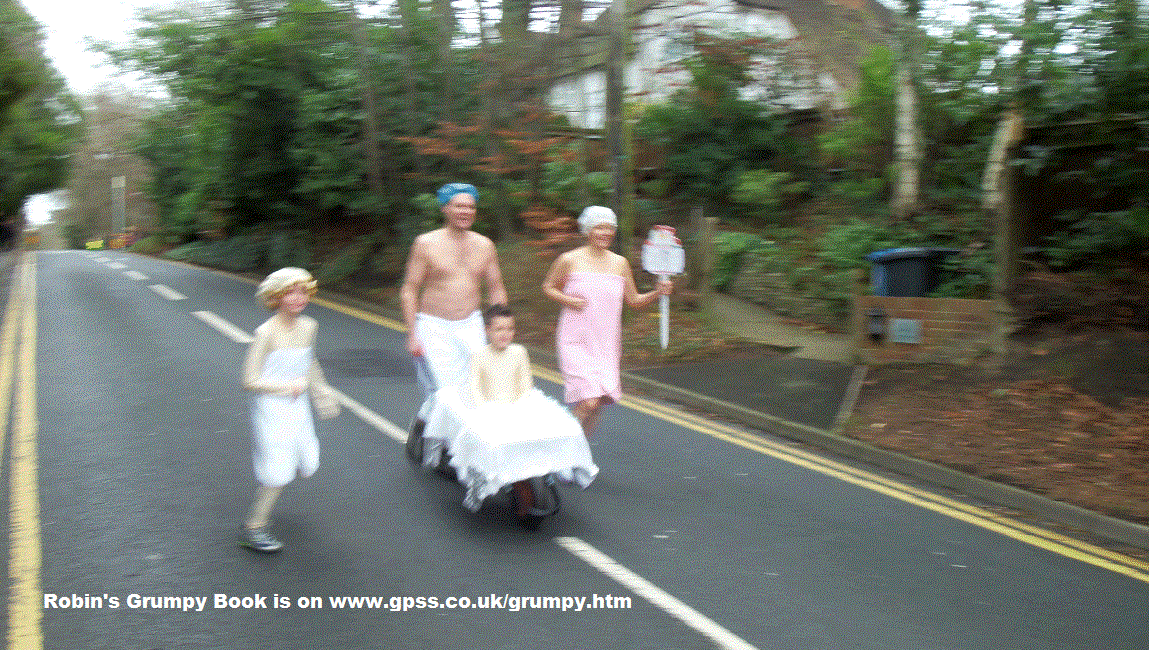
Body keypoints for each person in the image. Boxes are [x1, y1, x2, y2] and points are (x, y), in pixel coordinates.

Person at [542, 206, 672, 437]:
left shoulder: (620, 263)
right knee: (588, 402)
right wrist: (567, 300)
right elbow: (548, 287)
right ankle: (558, 448)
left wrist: (657, 293)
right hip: (576, 340)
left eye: (609, 228)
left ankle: (579, 457)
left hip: (606, 343)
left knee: (598, 402)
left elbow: (634, 300)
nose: (605, 232)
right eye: (599, 227)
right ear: (587, 230)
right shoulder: (569, 259)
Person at [401, 182, 507, 460]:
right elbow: (410, 289)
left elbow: (495, 287)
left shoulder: (485, 245)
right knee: (447, 393)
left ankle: (432, 430)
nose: (466, 211)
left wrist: (501, 327)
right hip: (434, 326)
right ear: (445, 208)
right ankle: (443, 451)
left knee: (477, 389)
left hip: (470, 324)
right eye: (459, 205)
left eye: (471, 206)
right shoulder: (426, 243)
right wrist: (412, 333)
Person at [240, 267, 340, 553]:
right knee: (278, 470)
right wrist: (286, 388)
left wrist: (323, 394)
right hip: (271, 408)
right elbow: (249, 380)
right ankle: (254, 528)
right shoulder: (266, 334)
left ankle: (271, 489)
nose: (298, 298)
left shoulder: (309, 326)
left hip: (298, 406)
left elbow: (309, 363)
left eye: (303, 292)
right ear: (275, 297)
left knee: (308, 461)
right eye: (290, 292)